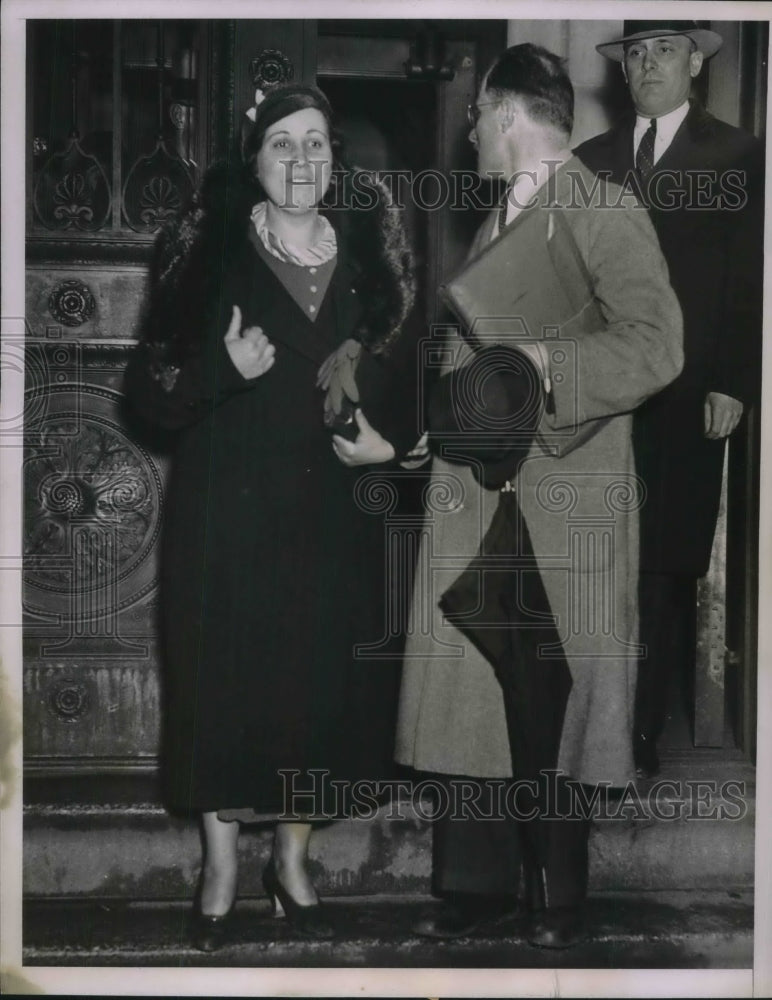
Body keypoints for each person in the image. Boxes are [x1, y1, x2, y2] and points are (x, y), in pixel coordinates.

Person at [395, 43, 684, 948]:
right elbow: (473, 363)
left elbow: (658, 345)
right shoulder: (495, 220)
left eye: (478, 115)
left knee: (554, 697)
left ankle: (555, 897)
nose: (471, 130)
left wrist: (547, 367)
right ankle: (481, 888)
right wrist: (434, 424)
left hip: (567, 496)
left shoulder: (603, 206)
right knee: (485, 688)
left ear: (507, 110)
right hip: (483, 490)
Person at [124, 83, 419, 949]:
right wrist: (221, 368)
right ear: (252, 159)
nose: (301, 162)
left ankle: (290, 863)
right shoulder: (206, 250)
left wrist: (391, 447)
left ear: (337, 160)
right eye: (282, 144)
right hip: (231, 516)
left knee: (318, 690)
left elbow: (408, 382)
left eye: (317, 144)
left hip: (335, 517)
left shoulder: (376, 261)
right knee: (227, 688)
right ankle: (219, 872)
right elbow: (150, 393)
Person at [575, 21, 764, 778]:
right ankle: (594, 729)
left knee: (665, 558)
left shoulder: (740, 157)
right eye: (636, 52)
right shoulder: (590, 163)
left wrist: (734, 380)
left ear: (695, 62)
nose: (648, 63)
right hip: (605, 393)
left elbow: (750, 279)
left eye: (665, 49)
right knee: (602, 553)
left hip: (690, 391)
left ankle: (642, 728)